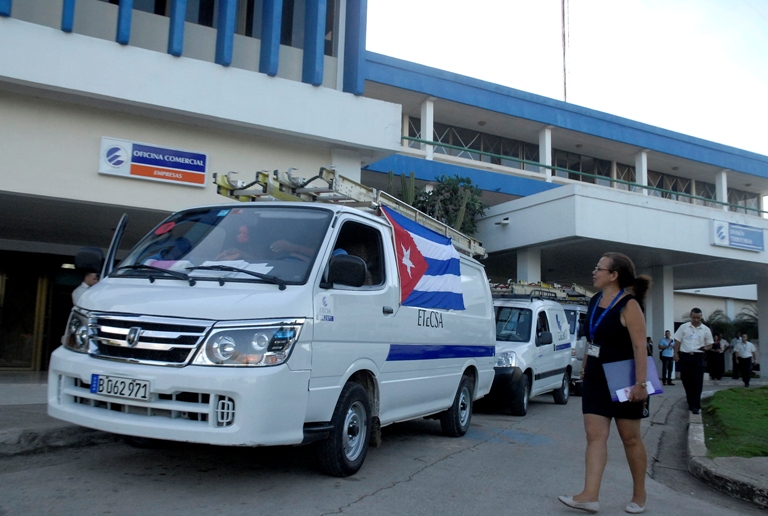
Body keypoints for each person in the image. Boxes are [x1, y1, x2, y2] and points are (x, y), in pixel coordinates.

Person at [559, 252, 651, 515]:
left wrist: (641, 384)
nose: (594, 272)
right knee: (594, 436)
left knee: (630, 438)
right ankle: (589, 496)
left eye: (599, 268)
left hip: (625, 375)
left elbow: (639, 347)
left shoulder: (629, 305)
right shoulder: (595, 300)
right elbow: (592, 340)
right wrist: (585, 368)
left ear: (614, 275)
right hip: (596, 376)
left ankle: (640, 495)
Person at [673, 308, 714, 414]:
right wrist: (675, 353)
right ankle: (690, 401)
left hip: (698, 357)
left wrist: (706, 348)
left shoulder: (705, 329)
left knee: (697, 381)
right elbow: (677, 340)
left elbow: (710, 343)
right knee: (686, 380)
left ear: (701, 317)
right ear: (690, 316)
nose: (696, 319)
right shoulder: (684, 327)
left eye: (698, 318)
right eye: (694, 317)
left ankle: (695, 406)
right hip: (686, 356)